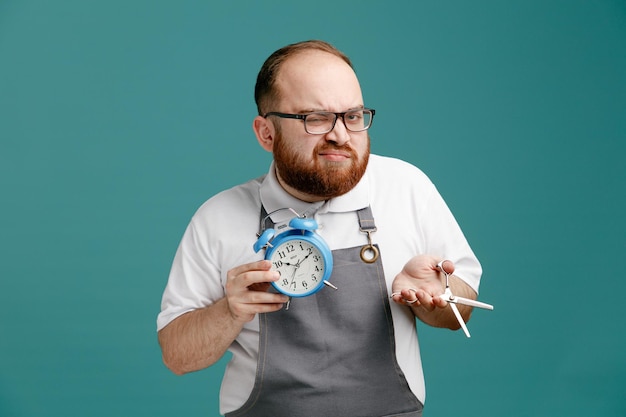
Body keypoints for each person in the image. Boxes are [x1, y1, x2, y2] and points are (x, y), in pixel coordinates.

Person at [157, 40, 483, 417]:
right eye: (315, 117)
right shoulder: (218, 217)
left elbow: (462, 308)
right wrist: (229, 311)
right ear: (266, 133)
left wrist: (437, 295)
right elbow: (177, 357)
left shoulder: (408, 187)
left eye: (353, 116)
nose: (340, 135)